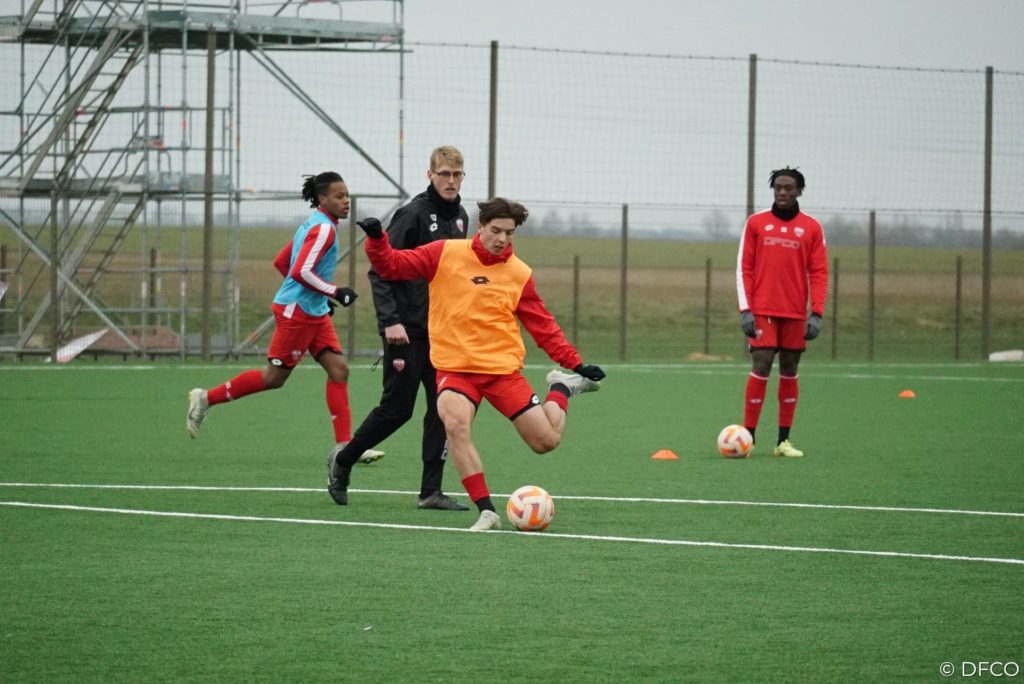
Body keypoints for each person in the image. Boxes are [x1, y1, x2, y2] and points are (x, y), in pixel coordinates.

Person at [333, 197, 606, 531]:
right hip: (455, 370)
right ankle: (487, 511)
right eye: (496, 230)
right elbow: (392, 266)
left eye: (509, 233)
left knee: (545, 442)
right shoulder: (444, 253)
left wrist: (575, 363)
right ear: (481, 227)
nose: (502, 239)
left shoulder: (519, 274)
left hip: (501, 372)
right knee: (455, 424)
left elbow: (543, 327)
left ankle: (561, 387)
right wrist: (378, 240)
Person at [186, 172, 383, 465]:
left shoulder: (316, 223)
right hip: (297, 314)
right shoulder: (324, 229)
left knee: (339, 370)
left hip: (312, 310)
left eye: (347, 195)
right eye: (339, 196)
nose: (346, 201)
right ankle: (205, 398)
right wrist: (334, 292)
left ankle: (345, 447)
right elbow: (300, 271)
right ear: (322, 199)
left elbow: (282, 262)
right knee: (273, 378)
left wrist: (319, 298)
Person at [326, 146, 471, 511]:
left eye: (457, 174)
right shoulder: (412, 214)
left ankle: (430, 492)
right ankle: (344, 459)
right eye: (444, 174)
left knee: (443, 409)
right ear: (430, 175)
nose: (451, 181)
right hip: (406, 330)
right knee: (397, 409)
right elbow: (381, 268)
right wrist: (390, 320)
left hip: (443, 333)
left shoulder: (462, 218)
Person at [736, 167, 828, 457]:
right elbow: (744, 268)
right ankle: (748, 439)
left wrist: (817, 313)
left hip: (795, 312)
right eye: (778, 187)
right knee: (761, 364)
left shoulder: (812, 227)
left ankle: (783, 442)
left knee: (790, 370)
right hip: (762, 310)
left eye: (789, 188)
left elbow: (820, 272)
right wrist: (746, 309)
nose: (783, 192)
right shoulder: (756, 223)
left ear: (799, 191)